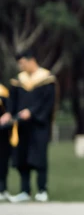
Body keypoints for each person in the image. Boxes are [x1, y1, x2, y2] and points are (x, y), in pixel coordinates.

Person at [7, 50, 57, 203]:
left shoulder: (46, 79)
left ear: (31, 60)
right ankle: (25, 190)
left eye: (22, 63)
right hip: (22, 126)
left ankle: (42, 190)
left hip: (39, 125)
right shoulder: (18, 80)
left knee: (40, 158)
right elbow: (12, 101)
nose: (21, 66)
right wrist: (10, 114)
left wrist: (32, 113)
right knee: (22, 158)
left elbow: (48, 103)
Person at [0, 80, 11, 201]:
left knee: (2, 161)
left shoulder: (3, 91)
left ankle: (2, 189)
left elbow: (9, 110)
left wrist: (7, 114)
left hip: (1, 133)